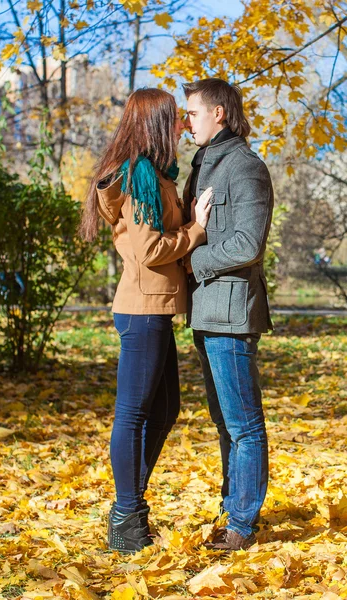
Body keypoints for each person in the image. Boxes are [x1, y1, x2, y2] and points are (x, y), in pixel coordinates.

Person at [80, 88, 212, 554]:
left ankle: (130, 505)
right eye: (174, 118)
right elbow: (150, 249)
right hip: (142, 310)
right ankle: (126, 514)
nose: (180, 125)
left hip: (152, 308)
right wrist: (196, 230)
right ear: (156, 123)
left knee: (163, 410)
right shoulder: (141, 179)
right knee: (135, 414)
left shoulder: (152, 175)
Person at [182, 78, 274, 551]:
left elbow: (248, 243)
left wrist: (191, 262)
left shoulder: (245, 166)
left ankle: (242, 524)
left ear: (219, 113)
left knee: (244, 424)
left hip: (232, 314)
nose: (186, 121)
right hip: (206, 312)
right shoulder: (204, 167)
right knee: (225, 422)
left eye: (192, 113)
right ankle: (231, 507)